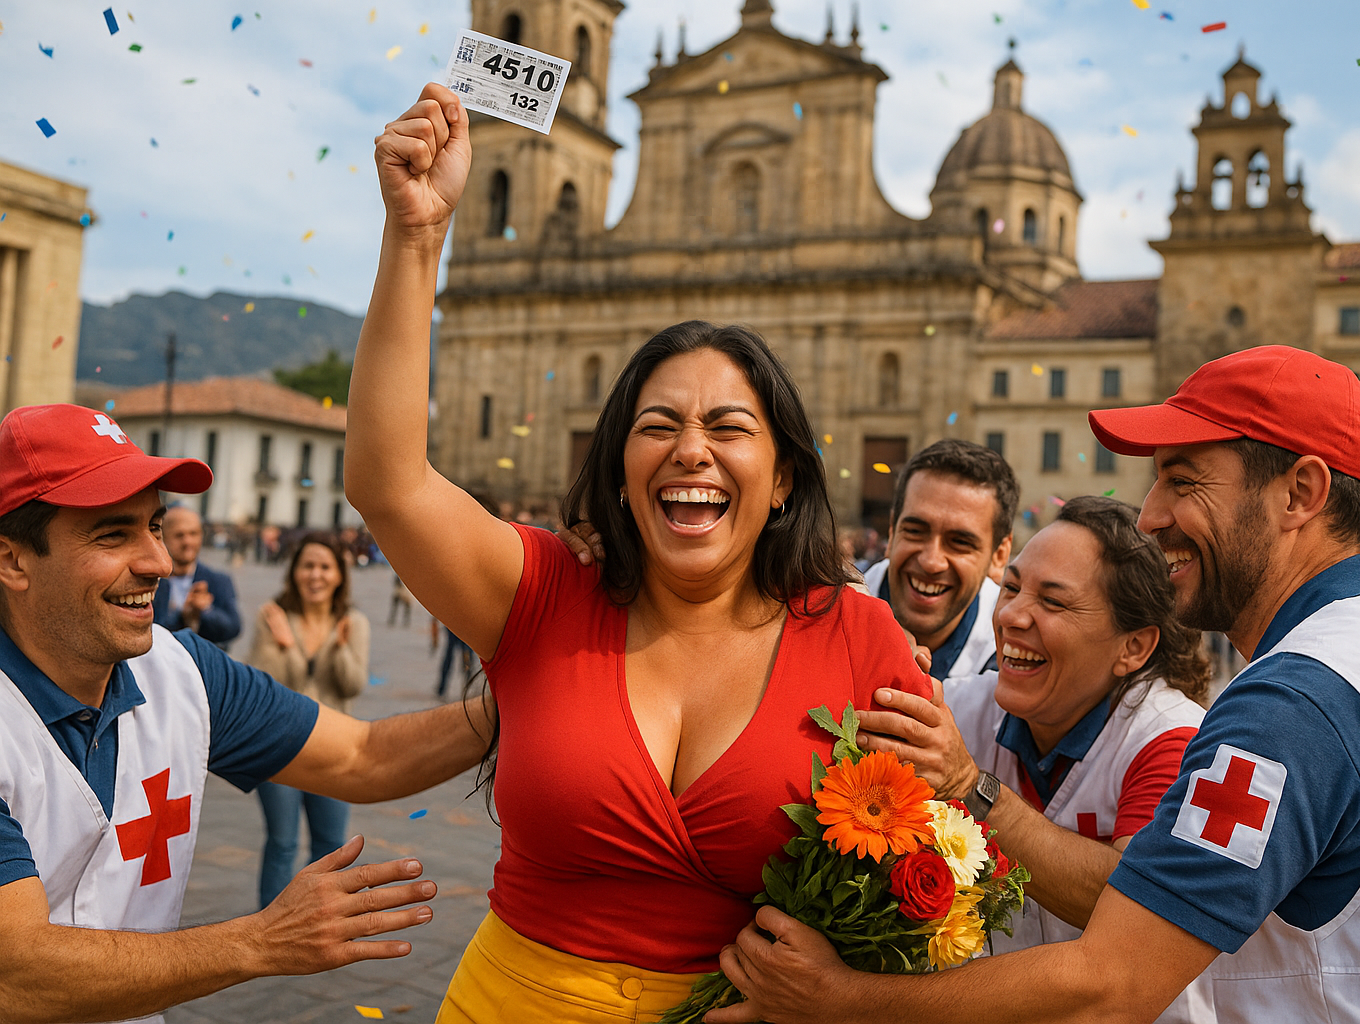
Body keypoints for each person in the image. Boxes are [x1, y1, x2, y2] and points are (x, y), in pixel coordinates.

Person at [705, 345, 1360, 1024]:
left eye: (1183, 480)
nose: (1148, 515)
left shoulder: (1293, 706)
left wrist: (842, 1000)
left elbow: (1112, 985)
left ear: (1302, 492)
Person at [345, 84, 931, 1023]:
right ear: (619, 472)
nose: (690, 447)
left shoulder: (863, 638)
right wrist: (415, 239)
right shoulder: (541, 597)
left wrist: (838, 1000)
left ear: (782, 479)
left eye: (729, 427)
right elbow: (388, 483)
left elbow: (927, 890)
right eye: (657, 425)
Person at [0, 404, 496, 1024]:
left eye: (154, 525)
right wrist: (260, 941)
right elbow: (16, 975)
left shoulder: (185, 673)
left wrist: (531, 689)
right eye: (112, 534)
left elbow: (364, 757)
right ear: (12, 560)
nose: (159, 560)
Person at [856, 495, 1214, 1022]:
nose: (1012, 616)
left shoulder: (1172, 739)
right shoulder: (960, 709)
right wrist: (876, 660)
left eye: (1054, 602)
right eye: (1013, 588)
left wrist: (969, 785)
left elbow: (1135, 905)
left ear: (1133, 648)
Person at [248, 534, 372, 908]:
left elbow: (352, 685)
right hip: (279, 750)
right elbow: (264, 686)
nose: (315, 575)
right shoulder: (273, 616)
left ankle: (319, 922)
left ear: (338, 575)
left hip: (335, 750)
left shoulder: (353, 622)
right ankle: (267, 928)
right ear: (294, 571)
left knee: (331, 844)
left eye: (324, 567)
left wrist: (336, 647)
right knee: (283, 842)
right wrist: (287, 645)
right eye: (307, 566)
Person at [861, 439, 1019, 683]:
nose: (931, 562)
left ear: (999, 556)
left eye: (960, 542)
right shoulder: (820, 614)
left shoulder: (1017, 659)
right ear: (892, 532)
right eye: (915, 531)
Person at [152, 505, 241, 647]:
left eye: (193, 534)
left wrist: (205, 610)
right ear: (163, 537)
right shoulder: (152, 581)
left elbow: (233, 628)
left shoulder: (218, 580)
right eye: (179, 535)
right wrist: (182, 615)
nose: (187, 542)